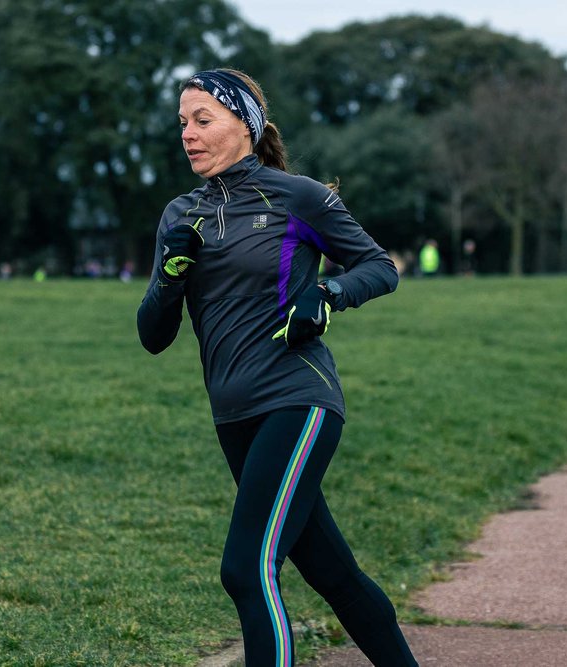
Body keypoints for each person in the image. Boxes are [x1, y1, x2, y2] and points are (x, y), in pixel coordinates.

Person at [136, 69, 417, 666]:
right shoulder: (179, 216)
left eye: (203, 120)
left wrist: (328, 295)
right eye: (182, 123)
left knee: (247, 569)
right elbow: (152, 337)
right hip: (232, 414)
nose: (188, 134)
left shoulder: (298, 197)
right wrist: (170, 275)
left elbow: (379, 267)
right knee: (333, 575)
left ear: (246, 125)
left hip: (298, 399)